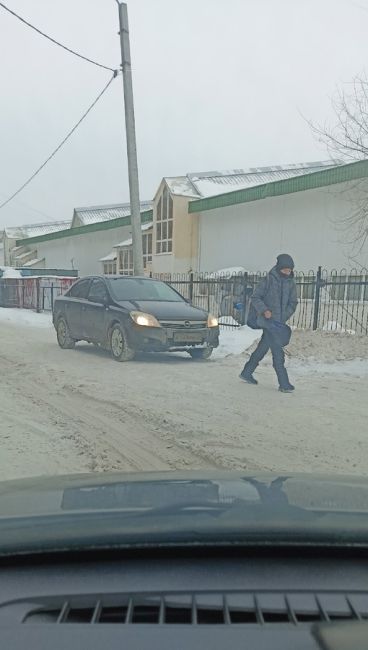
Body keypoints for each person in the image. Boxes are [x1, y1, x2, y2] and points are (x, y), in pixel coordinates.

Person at [240, 254, 298, 393]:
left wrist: (283, 316)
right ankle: (284, 383)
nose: (287, 272)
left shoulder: (291, 283)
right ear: (279, 268)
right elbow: (255, 297)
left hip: (278, 324)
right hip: (268, 322)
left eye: (289, 270)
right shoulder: (268, 280)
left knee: (262, 348)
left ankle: (247, 372)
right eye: (285, 270)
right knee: (278, 353)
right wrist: (264, 310)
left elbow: (293, 303)